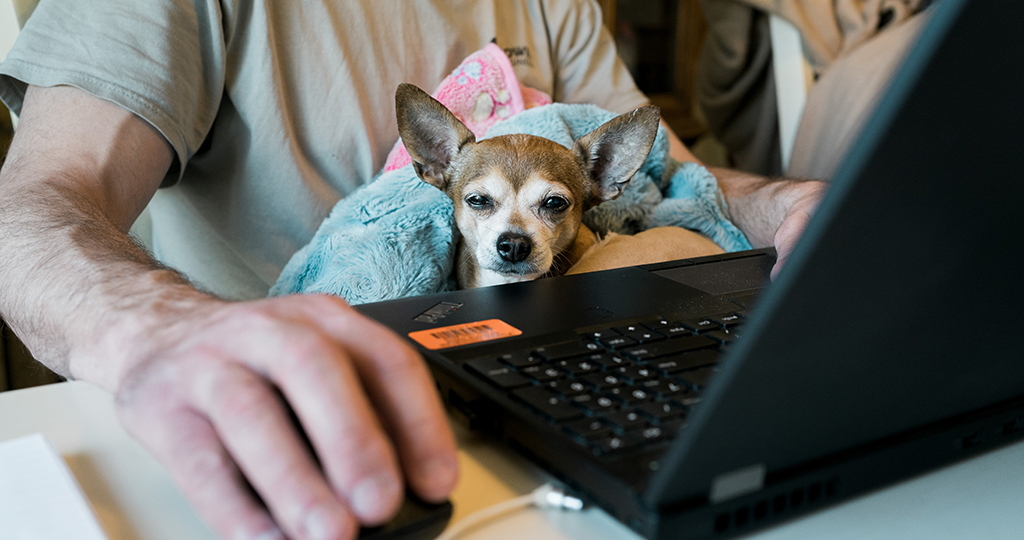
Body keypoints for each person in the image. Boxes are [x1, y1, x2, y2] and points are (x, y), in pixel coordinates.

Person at [0, 1, 823, 539]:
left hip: (577, 389)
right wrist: (158, 328)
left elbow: (677, 179)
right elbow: (32, 203)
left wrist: (790, 203)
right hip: (287, 416)